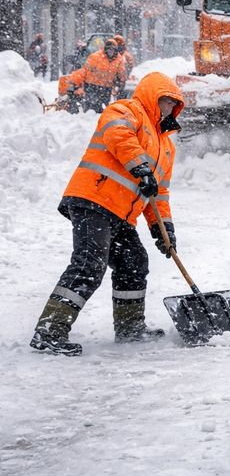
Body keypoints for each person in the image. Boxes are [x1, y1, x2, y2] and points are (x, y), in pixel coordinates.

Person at [30, 72, 185, 355]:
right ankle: (49, 331)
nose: (167, 107)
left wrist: (164, 229)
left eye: (173, 103)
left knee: (134, 262)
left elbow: (159, 194)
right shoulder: (127, 110)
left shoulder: (166, 146)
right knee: (89, 264)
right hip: (93, 199)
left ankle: (130, 328)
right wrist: (140, 166)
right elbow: (118, 133)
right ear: (152, 96)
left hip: (121, 214)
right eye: (164, 100)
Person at [73, 38, 127, 112]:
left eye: (112, 49)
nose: (110, 51)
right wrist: (76, 83)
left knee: (103, 109)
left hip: (107, 88)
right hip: (92, 86)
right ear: (105, 49)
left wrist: (120, 83)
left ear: (115, 50)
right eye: (108, 49)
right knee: (92, 108)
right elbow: (84, 71)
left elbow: (121, 74)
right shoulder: (95, 57)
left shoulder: (119, 60)